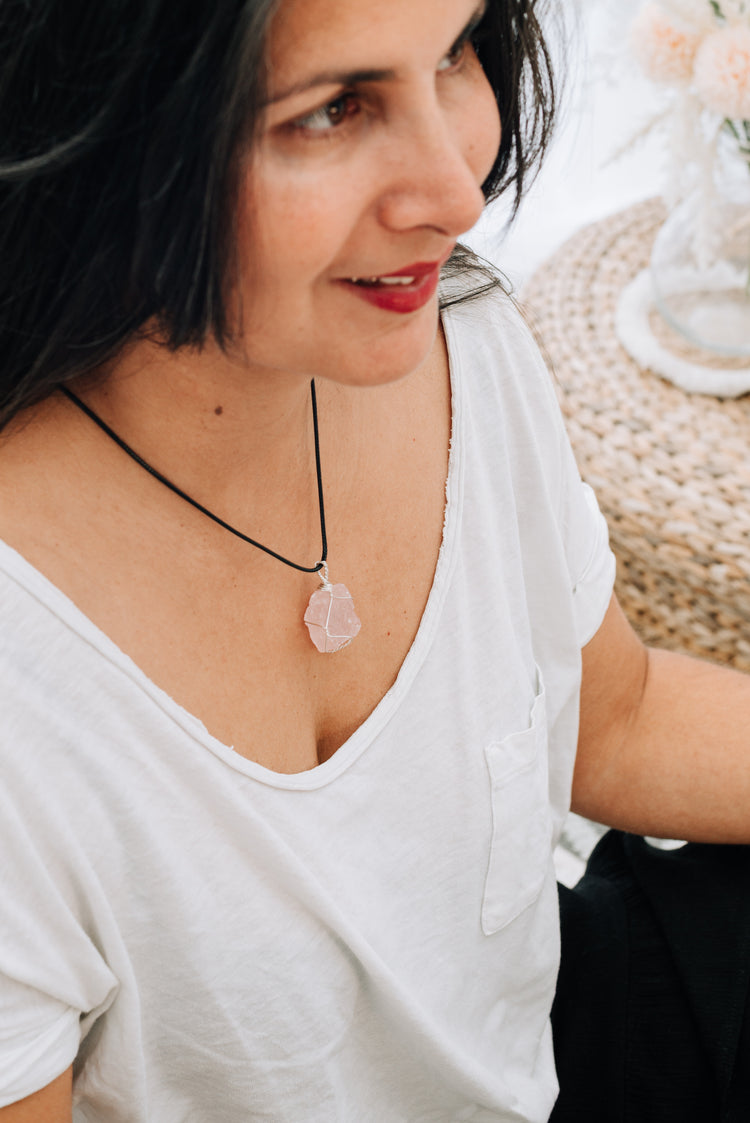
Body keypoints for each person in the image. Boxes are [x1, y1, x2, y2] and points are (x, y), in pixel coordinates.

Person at [0, 0, 749, 1120]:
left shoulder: (456, 334)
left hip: (548, 1047)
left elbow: (614, 716)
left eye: (452, 54)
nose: (456, 194)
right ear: (107, 125)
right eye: (333, 110)